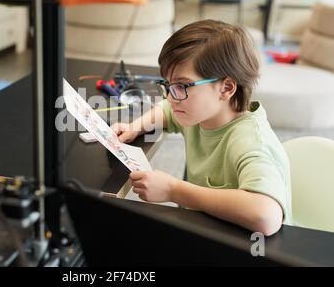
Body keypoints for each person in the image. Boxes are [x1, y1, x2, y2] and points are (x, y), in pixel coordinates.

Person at [112, 20, 292, 236]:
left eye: (181, 86)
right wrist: (136, 126)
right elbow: (167, 110)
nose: (170, 96)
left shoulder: (250, 142)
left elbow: (265, 216)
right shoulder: (198, 113)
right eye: (167, 85)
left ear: (226, 88)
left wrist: (174, 190)